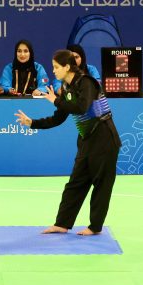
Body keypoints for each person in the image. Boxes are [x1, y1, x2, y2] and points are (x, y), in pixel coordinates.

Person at [13, 49, 121, 236]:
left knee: (101, 185)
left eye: (56, 67)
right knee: (75, 183)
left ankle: (95, 227)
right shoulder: (66, 88)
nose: (53, 71)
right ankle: (62, 224)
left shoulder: (87, 82)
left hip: (104, 137)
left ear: (67, 67)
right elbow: (58, 118)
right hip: (86, 140)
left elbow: (81, 107)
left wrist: (56, 101)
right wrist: (32, 123)